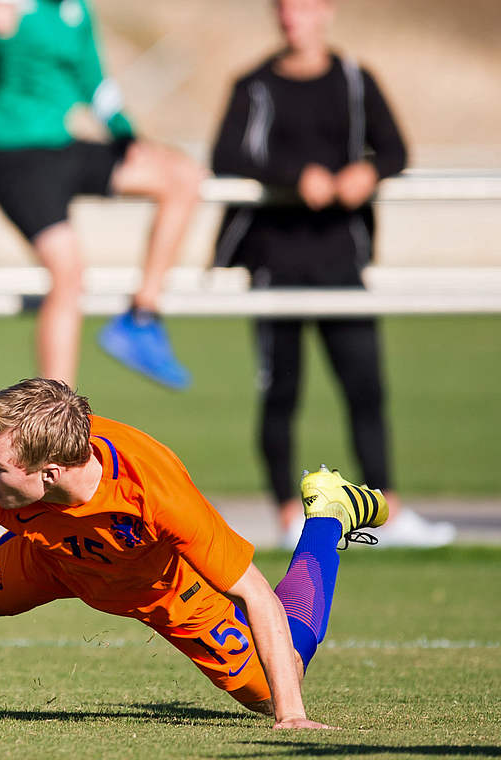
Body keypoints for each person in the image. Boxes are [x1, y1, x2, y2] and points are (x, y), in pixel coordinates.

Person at [0, 378, 388, 729]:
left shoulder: (155, 491)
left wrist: (291, 718)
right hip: (52, 556)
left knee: (270, 684)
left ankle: (326, 515)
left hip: (161, 587)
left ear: (49, 471)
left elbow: (252, 593)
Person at [211, 0, 454, 548]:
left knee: (365, 387)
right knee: (282, 392)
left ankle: (385, 511)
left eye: (303, 6)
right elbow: (225, 156)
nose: (291, 16)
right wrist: (298, 178)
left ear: (327, 11)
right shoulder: (253, 84)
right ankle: (284, 518)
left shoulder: (354, 79)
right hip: (276, 260)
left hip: (340, 257)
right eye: (283, 7)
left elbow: (395, 149)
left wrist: (367, 170)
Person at [0, 0, 203, 389]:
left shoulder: (76, 10)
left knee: (182, 175)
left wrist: (125, 133)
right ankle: (51, 417)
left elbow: (94, 81)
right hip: (11, 154)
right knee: (69, 273)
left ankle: (142, 318)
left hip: (61, 145)